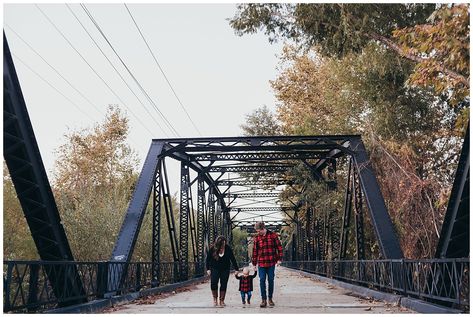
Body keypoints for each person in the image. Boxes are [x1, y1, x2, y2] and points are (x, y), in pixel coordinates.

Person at [252, 221, 282, 308]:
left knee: (271, 280)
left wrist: (279, 259)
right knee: (262, 281)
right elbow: (255, 252)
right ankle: (263, 300)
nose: (257, 232)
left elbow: (279, 247)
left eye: (258, 231)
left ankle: (270, 298)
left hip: (271, 262)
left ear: (262, 229)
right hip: (261, 263)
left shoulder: (273, 235)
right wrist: (254, 264)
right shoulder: (257, 238)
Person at [206, 235, 239, 307]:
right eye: (222, 243)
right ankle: (215, 299)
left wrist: (236, 269)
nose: (224, 245)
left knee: (223, 284)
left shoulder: (227, 248)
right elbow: (207, 259)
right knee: (214, 283)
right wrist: (208, 269)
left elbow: (232, 258)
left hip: (225, 269)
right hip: (215, 268)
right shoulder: (213, 249)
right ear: (218, 243)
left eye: (224, 243)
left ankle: (222, 300)